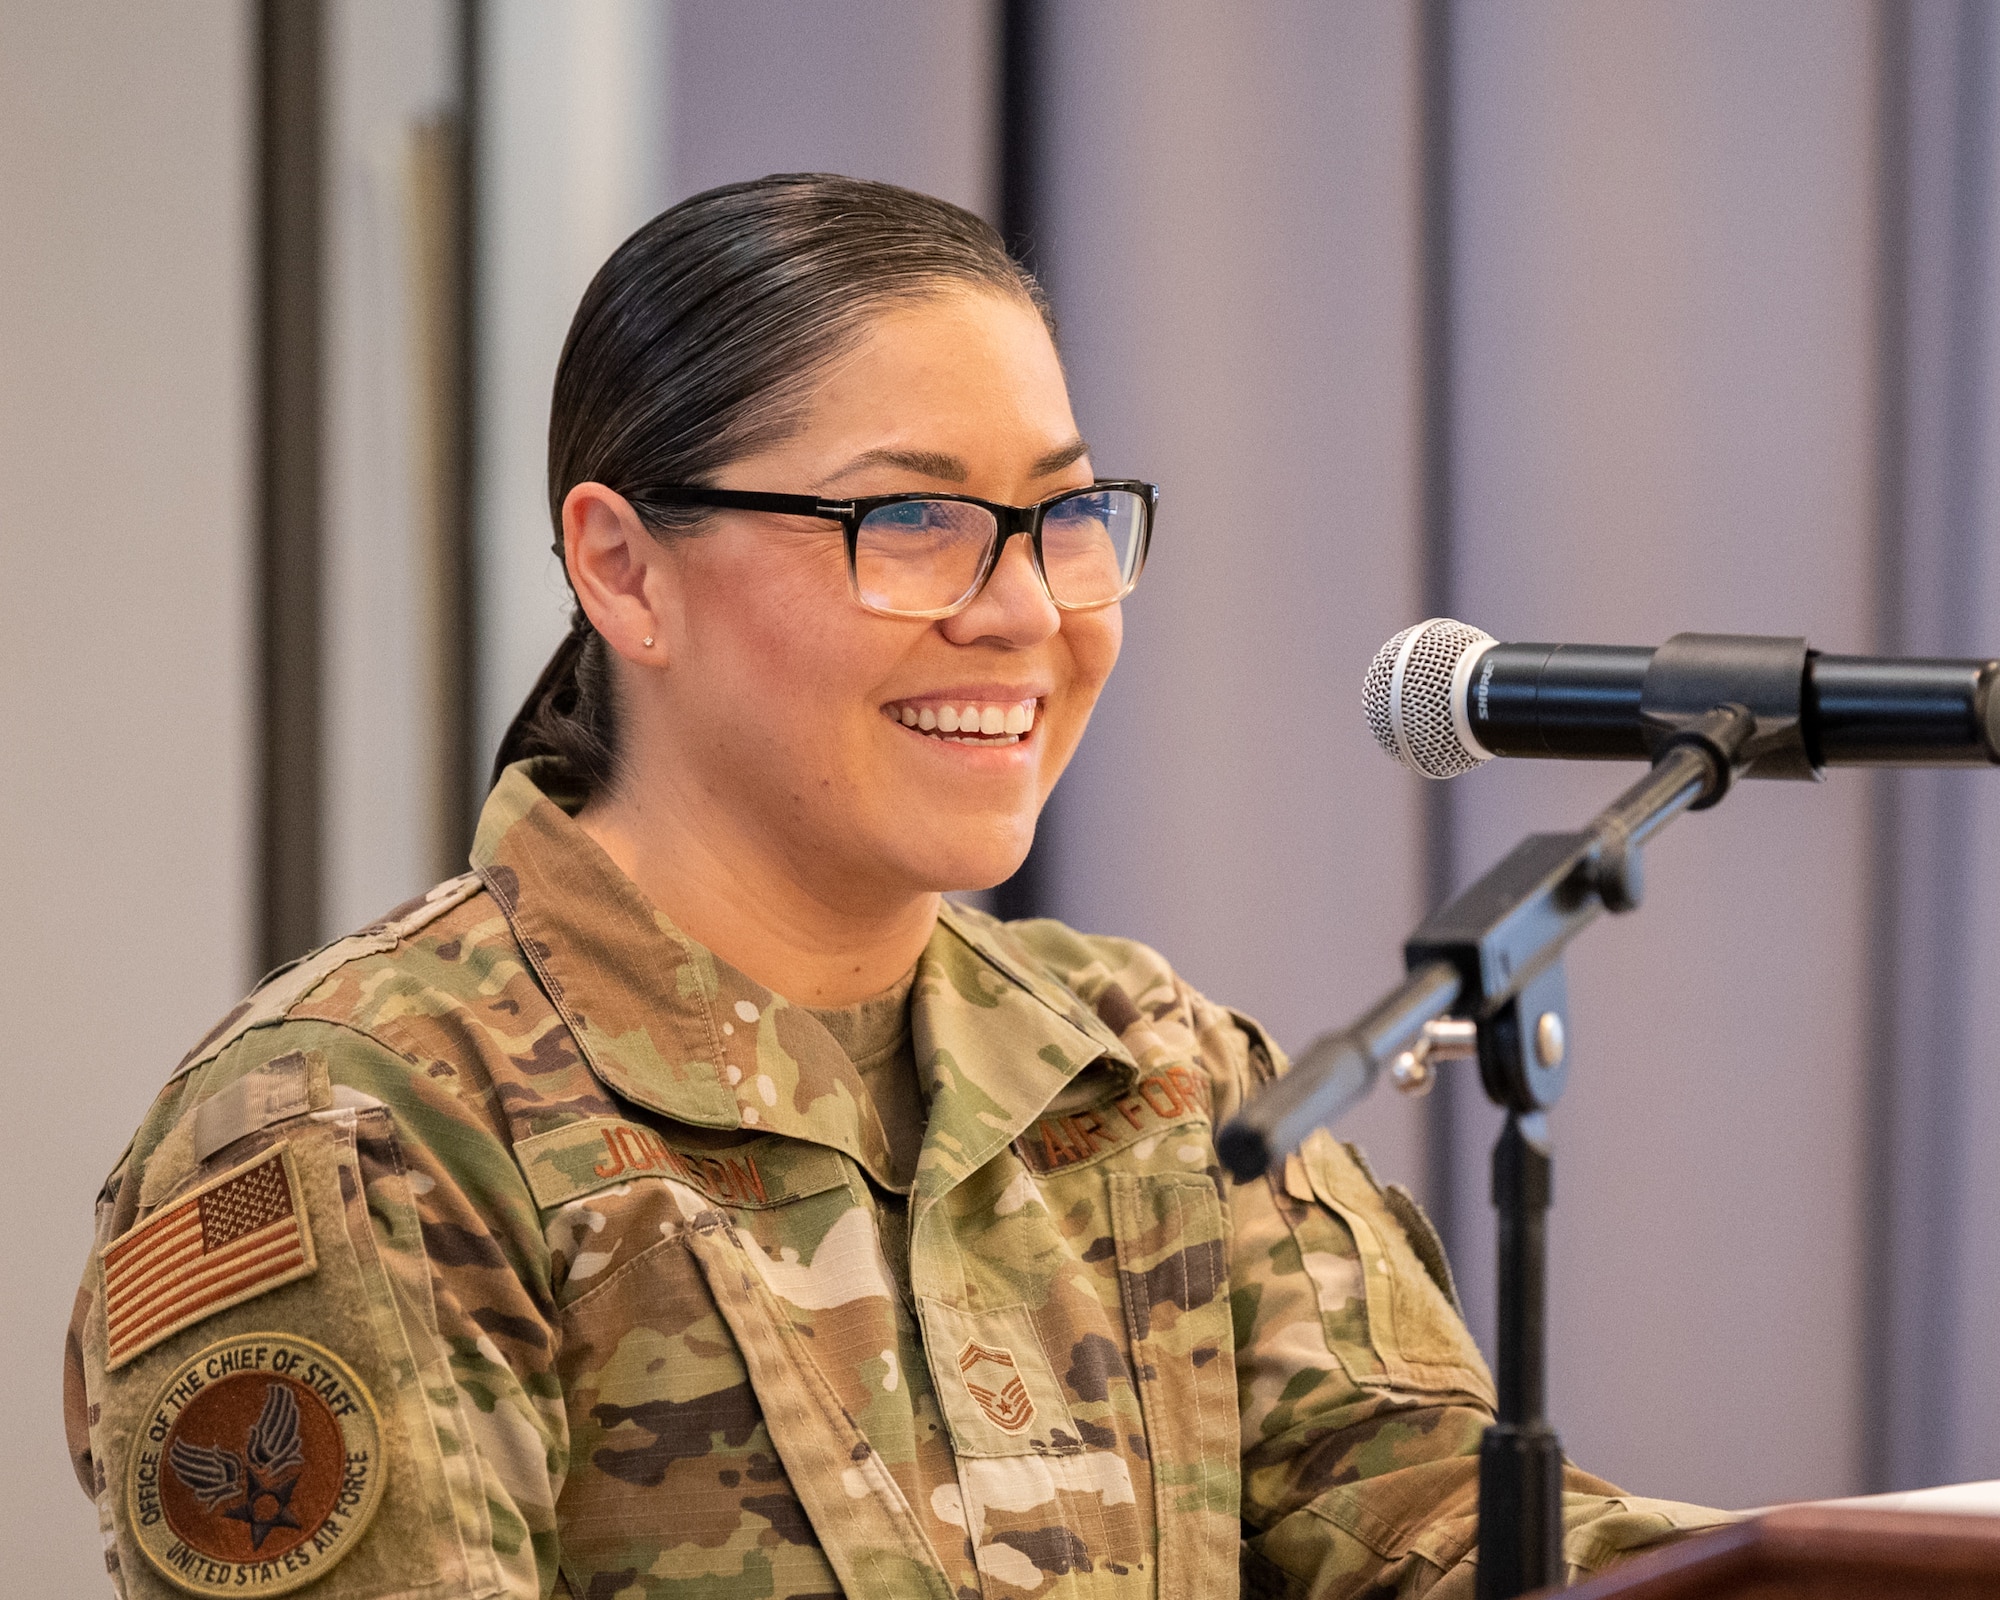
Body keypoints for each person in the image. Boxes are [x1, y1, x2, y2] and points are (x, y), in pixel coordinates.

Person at [66, 174, 1726, 1600]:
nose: (1024, 609)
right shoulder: (358, 1123)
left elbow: (1450, 1529)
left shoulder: (1147, 1067)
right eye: (915, 517)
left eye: (1064, 514)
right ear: (623, 568)